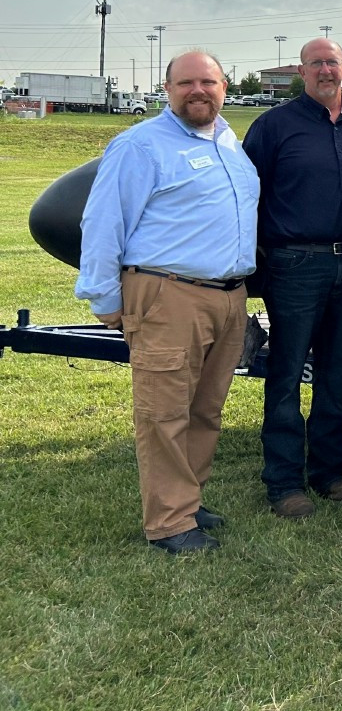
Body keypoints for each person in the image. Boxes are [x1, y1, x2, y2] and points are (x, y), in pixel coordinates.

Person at [75, 51, 259, 554]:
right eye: (186, 83)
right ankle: (169, 523)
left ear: (224, 86)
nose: (198, 91)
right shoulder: (139, 145)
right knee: (164, 411)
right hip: (168, 294)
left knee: (206, 410)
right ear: (166, 88)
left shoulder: (228, 143)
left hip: (227, 295)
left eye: (208, 82)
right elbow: (103, 222)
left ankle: (188, 500)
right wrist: (105, 298)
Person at [243, 38, 342, 518]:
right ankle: (284, 482)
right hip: (297, 264)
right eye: (316, 64)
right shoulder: (272, 126)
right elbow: (249, 199)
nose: (326, 71)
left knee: (338, 371)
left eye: (332, 63)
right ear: (300, 72)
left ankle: (329, 472)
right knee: (285, 374)